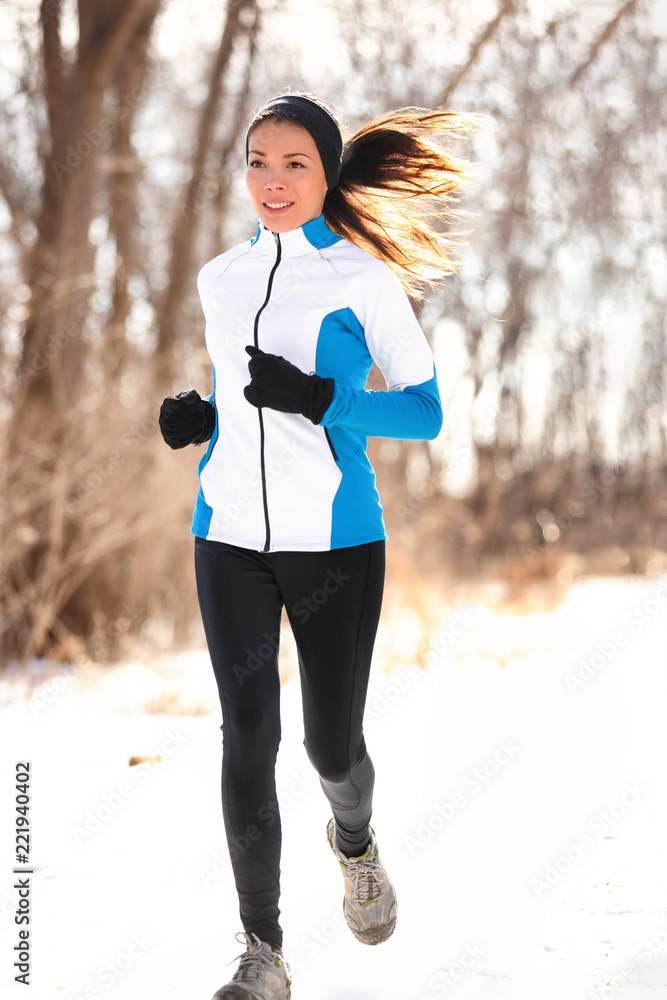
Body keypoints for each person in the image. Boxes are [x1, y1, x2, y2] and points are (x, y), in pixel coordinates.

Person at [159, 92, 472, 1000]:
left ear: (327, 174)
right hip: (226, 539)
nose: (273, 180)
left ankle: (356, 842)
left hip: (334, 542)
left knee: (330, 750)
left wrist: (322, 400)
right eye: (258, 161)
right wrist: (202, 416)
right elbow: (248, 410)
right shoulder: (221, 278)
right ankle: (262, 953)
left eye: (294, 163)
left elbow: (424, 408)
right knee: (246, 736)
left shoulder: (362, 280)